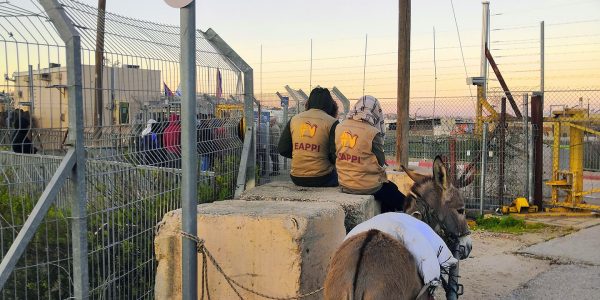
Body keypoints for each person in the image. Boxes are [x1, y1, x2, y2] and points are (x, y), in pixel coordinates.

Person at [335, 95, 405, 212]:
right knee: (396, 195)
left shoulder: (340, 126)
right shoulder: (372, 132)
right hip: (366, 186)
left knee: (389, 190)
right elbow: (380, 161)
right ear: (376, 111)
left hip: (344, 183)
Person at [278, 87, 339, 187]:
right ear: (330, 104)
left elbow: (283, 149)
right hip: (323, 177)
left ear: (309, 102)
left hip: (296, 177)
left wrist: (301, 153)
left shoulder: (294, 119)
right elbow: (335, 155)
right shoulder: (332, 122)